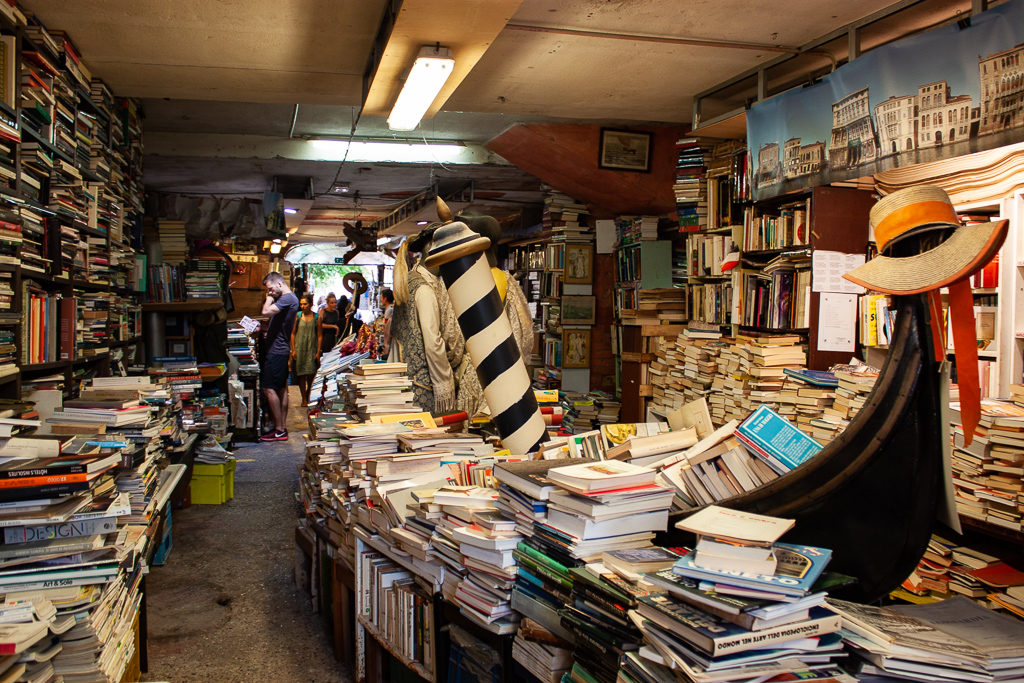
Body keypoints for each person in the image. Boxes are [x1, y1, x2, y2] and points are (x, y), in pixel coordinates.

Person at [260, 271, 298, 442]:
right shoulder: (289, 299)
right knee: (281, 389)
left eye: (270, 289)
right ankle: (281, 428)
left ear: (279, 284)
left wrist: (269, 299)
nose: (270, 292)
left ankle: (279, 429)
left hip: (277, 351)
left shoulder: (287, 298)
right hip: (280, 349)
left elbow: (265, 311)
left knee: (269, 388)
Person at [290, 293, 318, 407]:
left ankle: (308, 394)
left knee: (311, 374)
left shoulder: (316, 317)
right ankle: (303, 398)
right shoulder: (297, 316)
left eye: (305, 304)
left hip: (311, 347)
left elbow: (319, 335)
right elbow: (292, 333)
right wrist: (293, 349)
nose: (303, 306)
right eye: (301, 304)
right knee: (301, 374)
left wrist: (318, 351)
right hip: (299, 347)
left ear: (310, 304)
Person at [317, 292, 342, 357]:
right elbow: (319, 325)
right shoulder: (322, 311)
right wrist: (332, 326)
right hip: (324, 337)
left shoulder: (336, 312)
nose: (334, 304)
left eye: (335, 302)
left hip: (333, 338)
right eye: (332, 303)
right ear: (328, 303)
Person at [379, 287, 394, 357]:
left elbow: (387, 326)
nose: (380, 300)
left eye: (381, 297)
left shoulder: (389, 310)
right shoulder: (389, 309)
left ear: (385, 299)